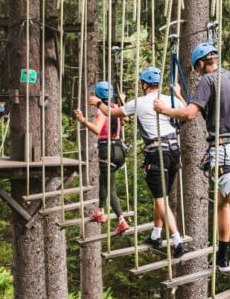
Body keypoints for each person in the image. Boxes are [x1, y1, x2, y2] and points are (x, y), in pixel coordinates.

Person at [153, 42, 230, 284]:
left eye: (197, 67)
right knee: (223, 202)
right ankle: (222, 256)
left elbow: (190, 114)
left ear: (201, 64)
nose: (198, 72)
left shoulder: (208, 81)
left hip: (226, 151)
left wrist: (164, 110)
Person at [90, 66, 187, 258]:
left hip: (157, 153)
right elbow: (187, 112)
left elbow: (110, 112)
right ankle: (156, 234)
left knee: (161, 200)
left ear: (144, 85)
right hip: (174, 152)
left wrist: (98, 103)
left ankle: (177, 240)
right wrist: (178, 94)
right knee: (161, 198)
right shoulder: (170, 100)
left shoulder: (139, 103)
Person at [74, 81, 129, 234]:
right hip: (119, 151)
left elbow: (98, 130)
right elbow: (126, 119)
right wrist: (122, 102)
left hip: (107, 151)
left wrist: (83, 121)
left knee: (110, 188)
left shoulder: (102, 112)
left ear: (98, 96)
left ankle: (121, 220)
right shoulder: (115, 108)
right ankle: (100, 210)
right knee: (103, 180)